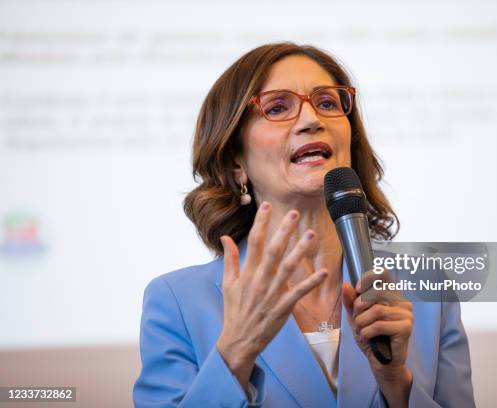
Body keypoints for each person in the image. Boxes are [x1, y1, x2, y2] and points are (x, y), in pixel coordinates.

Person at [133, 42, 475, 408]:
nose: (312, 120)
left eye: (327, 102)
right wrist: (235, 352)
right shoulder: (179, 303)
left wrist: (396, 384)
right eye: (278, 107)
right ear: (236, 162)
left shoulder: (428, 292)